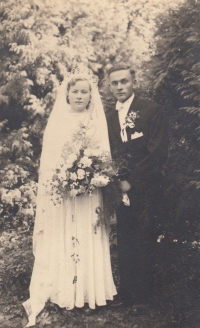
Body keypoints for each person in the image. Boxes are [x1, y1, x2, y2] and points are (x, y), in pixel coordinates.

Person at [22, 68, 117, 327]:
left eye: (84, 92)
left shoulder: (96, 120)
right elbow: (51, 161)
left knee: (88, 234)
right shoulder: (59, 121)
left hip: (90, 191)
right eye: (74, 91)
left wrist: (91, 173)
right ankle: (64, 292)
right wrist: (65, 176)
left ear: (91, 95)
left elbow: (103, 155)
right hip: (65, 191)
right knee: (66, 234)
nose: (79, 96)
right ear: (67, 94)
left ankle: (89, 293)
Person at [106, 64, 167, 307]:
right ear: (110, 86)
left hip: (145, 186)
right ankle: (128, 294)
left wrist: (131, 181)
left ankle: (144, 297)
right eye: (115, 83)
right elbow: (107, 152)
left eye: (124, 81)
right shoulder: (108, 118)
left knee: (145, 238)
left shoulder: (151, 110)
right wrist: (116, 181)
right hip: (118, 188)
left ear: (134, 82)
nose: (120, 86)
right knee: (126, 239)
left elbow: (157, 151)